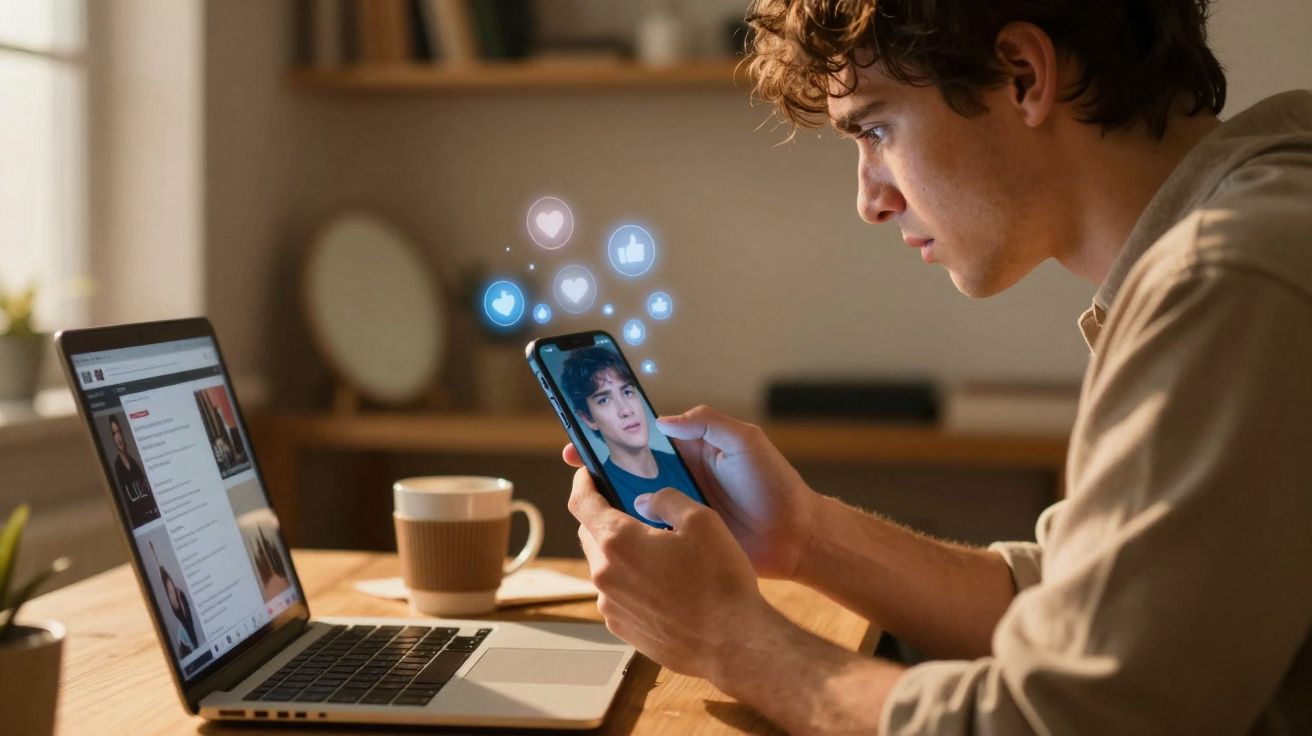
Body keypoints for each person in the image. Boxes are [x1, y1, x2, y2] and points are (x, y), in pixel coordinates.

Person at [562, 1, 1312, 733]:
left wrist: (728, 639)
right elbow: (1088, 614)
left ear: (1022, 75)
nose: (869, 199)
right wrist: (803, 535)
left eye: (877, 128)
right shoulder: (1262, 216)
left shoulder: (1225, 278)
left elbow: (1064, 720)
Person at [559, 346, 699, 520]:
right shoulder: (605, 490)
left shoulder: (682, 465)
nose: (625, 410)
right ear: (587, 418)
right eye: (604, 399)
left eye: (627, 392)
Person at [109, 414, 160, 528]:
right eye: (114, 434)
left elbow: (147, 489)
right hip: (140, 522)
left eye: (119, 432)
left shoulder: (133, 461)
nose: (118, 437)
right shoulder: (118, 466)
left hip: (153, 517)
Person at [149, 541, 200, 657]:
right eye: (169, 592)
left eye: (173, 590)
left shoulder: (181, 596)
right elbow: (161, 574)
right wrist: (153, 554)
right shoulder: (180, 633)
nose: (172, 594)